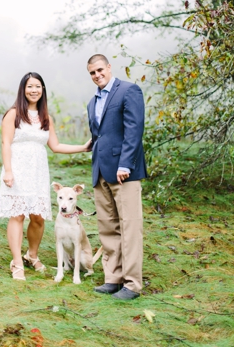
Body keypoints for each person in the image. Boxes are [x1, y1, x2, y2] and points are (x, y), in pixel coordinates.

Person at [0, 72, 90, 281]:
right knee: (18, 215)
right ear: (23, 89)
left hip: (38, 172)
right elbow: (5, 143)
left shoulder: (45, 116)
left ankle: (31, 255)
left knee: (38, 217)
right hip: (17, 170)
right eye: (30, 86)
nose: (34, 90)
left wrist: (83, 148)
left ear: (43, 90)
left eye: (37, 86)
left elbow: (55, 146)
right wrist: (8, 171)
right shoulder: (13, 114)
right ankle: (17, 263)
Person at [86, 54, 146, 300]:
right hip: (101, 170)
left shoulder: (129, 90)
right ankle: (113, 278)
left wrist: (126, 164)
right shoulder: (92, 102)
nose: (97, 75)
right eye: (92, 73)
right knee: (108, 227)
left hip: (124, 172)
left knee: (130, 226)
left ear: (109, 67)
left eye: (100, 70)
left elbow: (134, 129)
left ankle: (132, 284)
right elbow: (102, 133)